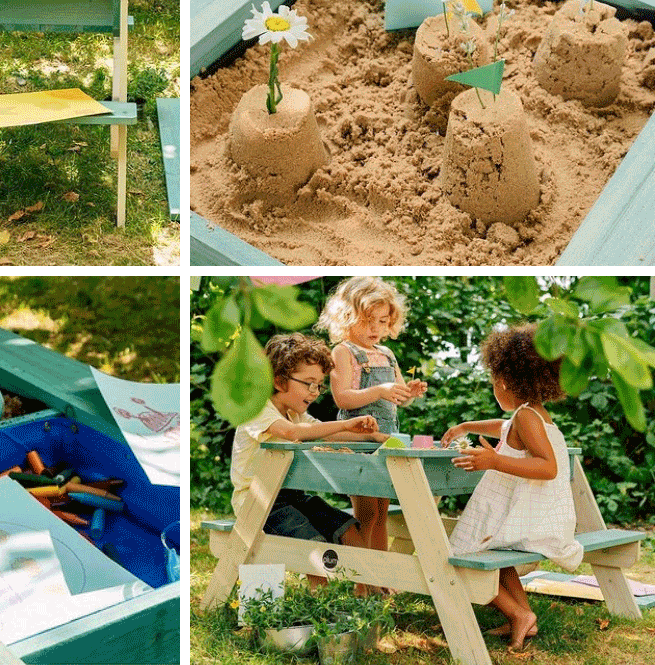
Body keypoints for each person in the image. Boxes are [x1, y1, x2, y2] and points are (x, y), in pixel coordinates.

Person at [443, 323, 583, 651]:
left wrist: (495, 462)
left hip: (533, 523)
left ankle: (515, 613)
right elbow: (504, 428)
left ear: (504, 380)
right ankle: (522, 616)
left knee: (462, 557)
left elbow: (547, 467)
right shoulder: (531, 414)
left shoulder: (527, 418)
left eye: (493, 382)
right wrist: (466, 425)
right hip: (538, 516)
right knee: (495, 554)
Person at [229, 332, 384, 586]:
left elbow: (325, 432)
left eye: (319, 385)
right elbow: (293, 433)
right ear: (279, 381)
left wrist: (374, 436)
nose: (314, 392)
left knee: (350, 529)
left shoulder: (295, 414)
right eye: (308, 383)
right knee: (317, 552)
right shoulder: (257, 409)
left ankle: (367, 595)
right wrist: (346, 423)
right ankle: (319, 613)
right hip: (258, 502)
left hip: (292, 497)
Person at [316, 277, 427, 556]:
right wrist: (379, 390)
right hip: (358, 440)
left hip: (386, 439)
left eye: (383, 321)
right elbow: (342, 397)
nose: (376, 328)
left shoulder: (387, 354)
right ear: (347, 317)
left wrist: (410, 392)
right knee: (367, 512)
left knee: (382, 510)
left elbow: (397, 395)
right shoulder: (343, 351)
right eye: (368, 321)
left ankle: (382, 576)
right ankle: (363, 580)